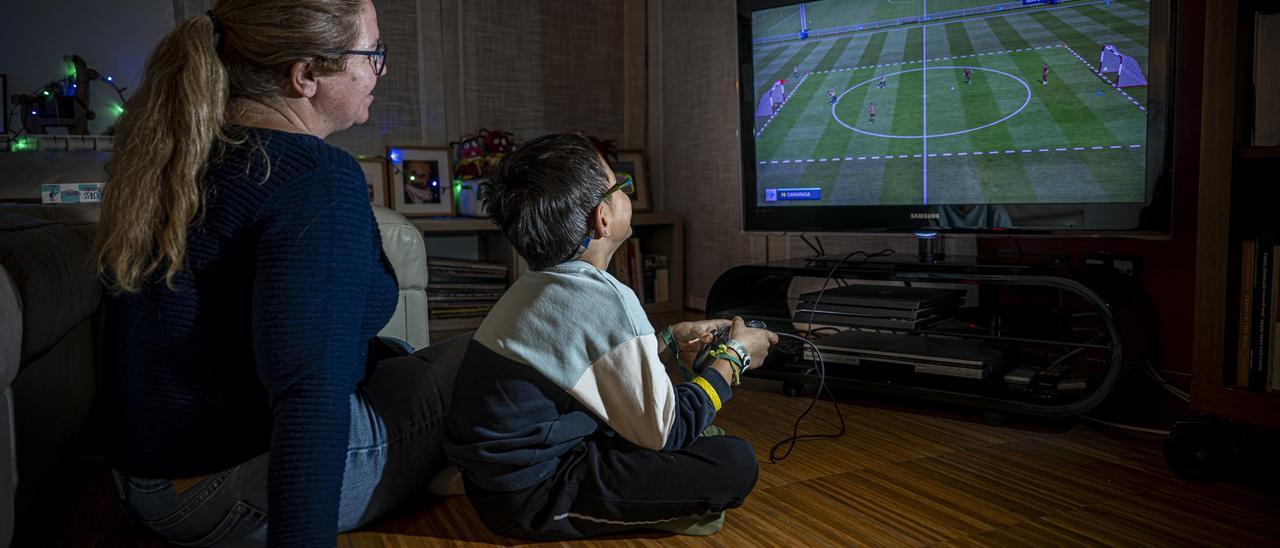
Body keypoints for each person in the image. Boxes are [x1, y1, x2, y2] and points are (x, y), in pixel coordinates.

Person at [95, 1, 462, 546]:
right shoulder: (312, 177)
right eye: (372, 53)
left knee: (415, 360)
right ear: (307, 75)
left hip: (145, 485)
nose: (380, 70)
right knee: (483, 357)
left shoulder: (184, 155)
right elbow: (309, 392)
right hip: (232, 494)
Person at [445, 133, 777, 540]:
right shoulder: (608, 298)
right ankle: (667, 513)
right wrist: (735, 357)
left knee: (700, 434)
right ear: (602, 218)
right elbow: (668, 430)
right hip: (532, 498)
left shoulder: (536, 284)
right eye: (620, 185)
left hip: (495, 482)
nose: (626, 192)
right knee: (734, 461)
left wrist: (667, 340)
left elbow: (584, 363)